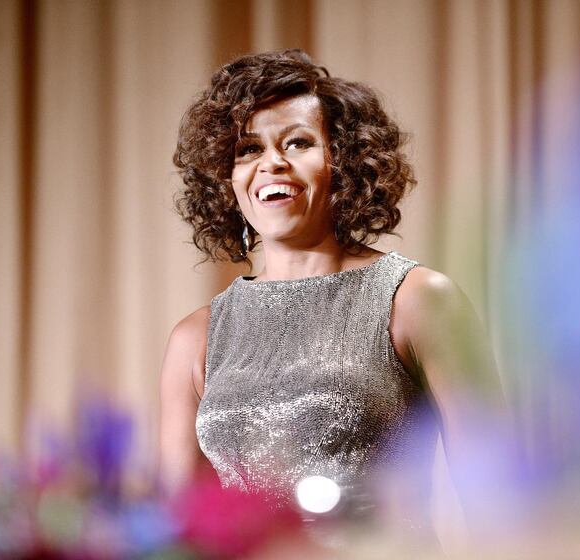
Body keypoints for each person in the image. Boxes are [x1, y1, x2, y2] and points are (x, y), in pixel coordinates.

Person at [159, 49, 502, 534]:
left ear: (343, 162)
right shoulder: (194, 338)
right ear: (226, 181)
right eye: (248, 149)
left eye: (298, 143)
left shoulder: (418, 299)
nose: (272, 163)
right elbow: (180, 529)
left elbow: (497, 503)